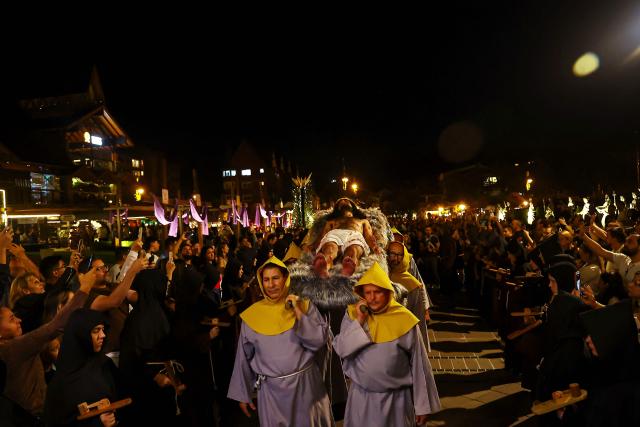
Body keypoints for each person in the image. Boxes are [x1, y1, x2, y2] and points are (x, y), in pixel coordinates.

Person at [227, 257, 334, 426]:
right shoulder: (252, 316)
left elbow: (319, 341)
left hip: (305, 389)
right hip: (272, 393)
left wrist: (298, 313)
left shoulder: (304, 305)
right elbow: (243, 358)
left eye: (275, 278)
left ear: (285, 279)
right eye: (266, 280)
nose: (271, 285)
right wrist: (243, 393)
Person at [333, 262, 440, 427]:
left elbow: (420, 365)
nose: (372, 298)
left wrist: (422, 406)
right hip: (361, 398)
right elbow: (341, 349)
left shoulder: (404, 320)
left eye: (377, 292)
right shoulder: (353, 315)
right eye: (367, 293)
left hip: (396, 400)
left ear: (388, 293)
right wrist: (360, 321)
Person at [44, 309, 120, 427]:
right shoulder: (64, 379)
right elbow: (57, 421)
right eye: (96, 331)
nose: (103, 335)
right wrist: (97, 424)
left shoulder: (104, 363)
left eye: (103, 330)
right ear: (82, 335)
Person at [311, 198, 381, 278]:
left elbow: (369, 236)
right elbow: (323, 236)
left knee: (353, 250)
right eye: (341, 202)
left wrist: (374, 246)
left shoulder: (362, 221)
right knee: (330, 249)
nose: (344, 201)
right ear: (337, 208)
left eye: (347, 200)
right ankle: (324, 267)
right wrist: (313, 246)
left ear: (353, 206)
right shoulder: (332, 221)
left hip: (354, 236)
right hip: (334, 235)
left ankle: (348, 268)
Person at [387, 241, 431, 351]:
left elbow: (417, 318)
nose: (395, 259)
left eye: (399, 255)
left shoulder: (412, 285)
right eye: (392, 254)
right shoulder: (382, 275)